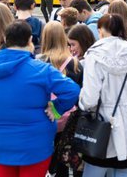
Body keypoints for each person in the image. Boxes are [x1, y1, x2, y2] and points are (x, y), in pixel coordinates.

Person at [0, 20, 80, 176]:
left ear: (5, 39)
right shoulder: (41, 69)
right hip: (36, 144)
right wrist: (56, 108)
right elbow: (72, 90)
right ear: (30, 40)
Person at [78, 14, 127, 176]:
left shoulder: (94, 56)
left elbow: (89, 99)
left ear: (100, 31)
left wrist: (82, 103)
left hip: (103, 129)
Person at [38, 21, 84, 177]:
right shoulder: (75, 63)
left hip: (44, 117)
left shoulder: (38, 61)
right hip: (68, 121)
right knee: (64, 159)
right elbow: (80, 93)